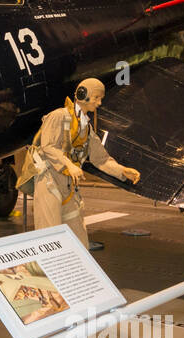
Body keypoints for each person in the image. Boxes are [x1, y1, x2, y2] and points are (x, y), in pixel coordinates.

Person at [15, 78, 140, 249]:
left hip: (69, 186)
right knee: (49, 239)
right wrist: (70, 165)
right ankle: (45, 273)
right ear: (83, 95)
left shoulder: (86, 128)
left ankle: (76, 273)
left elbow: (100, 159)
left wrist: (122, 171)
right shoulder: (58, 116)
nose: (99, 103)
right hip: (49, 180)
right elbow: (48, 146)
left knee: (79, 239)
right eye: (96, 97)